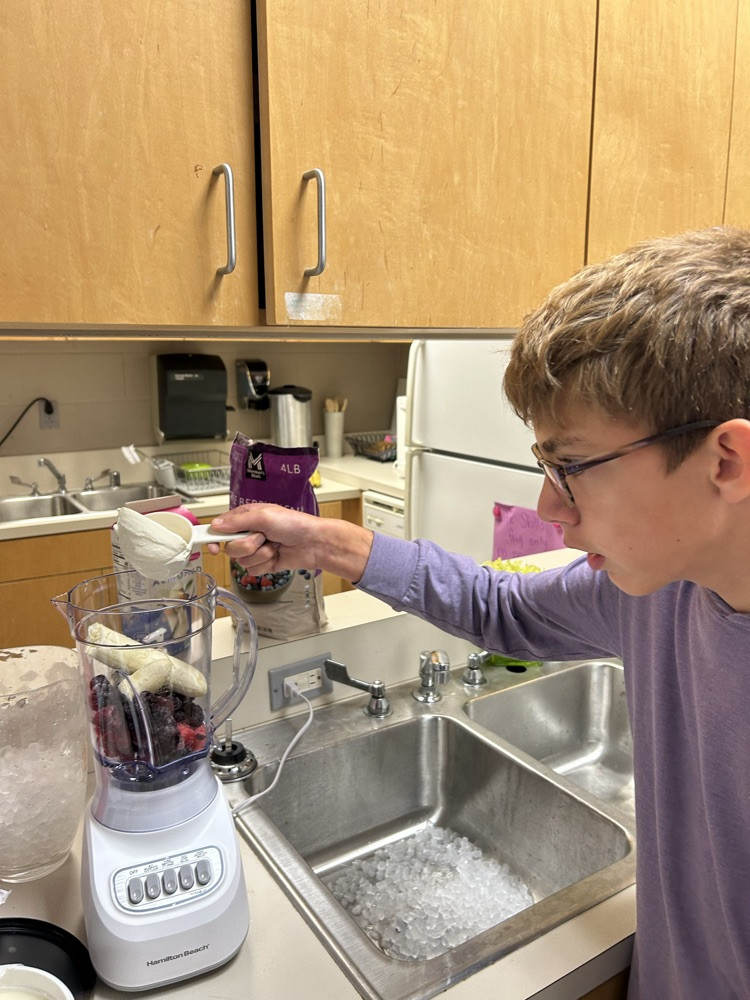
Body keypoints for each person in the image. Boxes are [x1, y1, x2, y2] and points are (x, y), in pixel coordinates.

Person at [210, 226, 750, 1000]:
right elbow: (504, 608)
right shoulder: (660, 590)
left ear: (725, 461)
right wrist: (330, 546)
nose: (546, 508)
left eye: (571, 466)